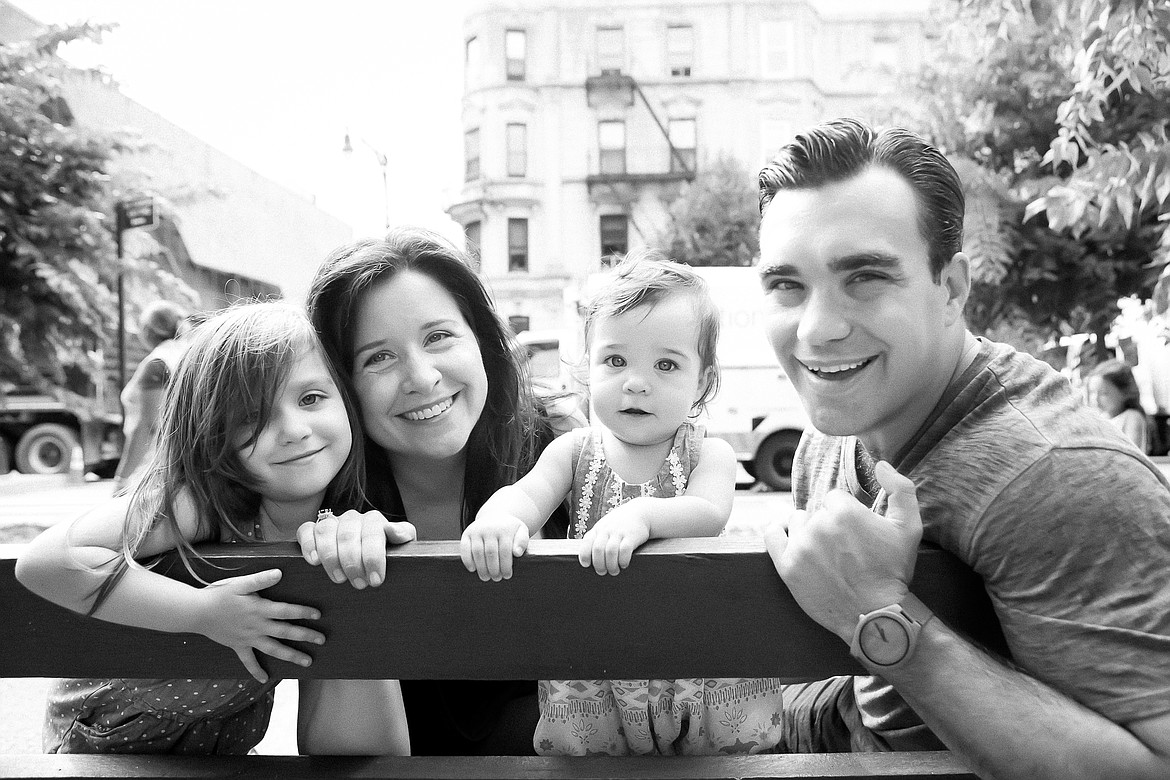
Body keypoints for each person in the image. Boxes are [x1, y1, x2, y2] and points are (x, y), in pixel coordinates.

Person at [754, 117, 1170, 777]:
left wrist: (875, 611)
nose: (816, 328)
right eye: (786, 285)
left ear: (951, 289)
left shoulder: (1053, 475)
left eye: (864, 277)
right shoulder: (827, 444)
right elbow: (870, 710)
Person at [15, 302, 411, 756]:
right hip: (105, 754)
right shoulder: (202, 504)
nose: (293, 430)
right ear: (209, 434)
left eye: (311, 398)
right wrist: (201, 613)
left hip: (215, 753)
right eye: (250, 416)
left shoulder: (337, 526)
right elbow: (43, 561)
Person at [460, 253, 783, 756]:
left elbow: (709, 512)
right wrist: (498, 518)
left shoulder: (707, 453)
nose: (636, 381)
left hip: (693, 667)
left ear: (702, 382)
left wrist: (641, 515)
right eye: (615, 360)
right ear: (588, 367)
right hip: (598, 665)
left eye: (666, 364)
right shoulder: (573, 451)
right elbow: (527, 494)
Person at [297, 227, 585, 756]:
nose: (422, 377)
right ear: (342, 384)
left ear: (482, 341)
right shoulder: (326, 498)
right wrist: (348, 581)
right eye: (377, 358)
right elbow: (344, 758)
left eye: (438, 337)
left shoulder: (564, 452)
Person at [114, 300, 191, 492]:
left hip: (152, 473)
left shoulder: (157, 364)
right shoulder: (189, 356)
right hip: (183, 470)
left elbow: (148, 427)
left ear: (148, 330)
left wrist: (122, 478)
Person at [1088, 359, 1153, 453]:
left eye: (1104, 393)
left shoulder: (1132, 417)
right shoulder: (1099, 418)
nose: (1095, 399)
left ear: (1124, 392)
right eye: (1092, 392)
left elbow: (1132, 454)